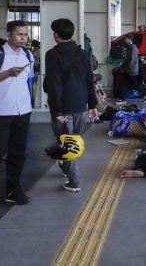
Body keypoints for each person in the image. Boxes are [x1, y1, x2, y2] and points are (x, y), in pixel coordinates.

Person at [0, 21, 35, 205]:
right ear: (9, 34)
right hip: (0, 111)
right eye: (20, 34)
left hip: (23, 110)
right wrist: (7, 74)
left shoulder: (28, 55)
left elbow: (29, 79)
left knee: (18, 153)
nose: (24, 38)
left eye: (26, 35)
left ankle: (13, 190)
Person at [43, 18, 98, 193]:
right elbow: (90, 79)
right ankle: (67, 168)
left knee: (67, 142)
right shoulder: (82, 53)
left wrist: (56, 110)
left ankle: (75, 180)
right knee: (72, 139)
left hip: (64, 106)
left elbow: (54, 85)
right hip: (81, 105)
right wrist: (92, 104)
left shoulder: (53, 54)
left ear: (56, 35)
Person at [116, 34, 139, 104]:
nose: (124, 40)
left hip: (132, 71)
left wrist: (126, 69)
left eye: (125, 39)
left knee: (134, 84)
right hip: (129, 70)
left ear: (129, 39)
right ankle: (122, 98)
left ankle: (145, 92)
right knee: (124, 83)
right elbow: (127, 60)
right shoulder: (129, 47)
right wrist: (122, 66)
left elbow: (132, 61)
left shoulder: (133, 48)